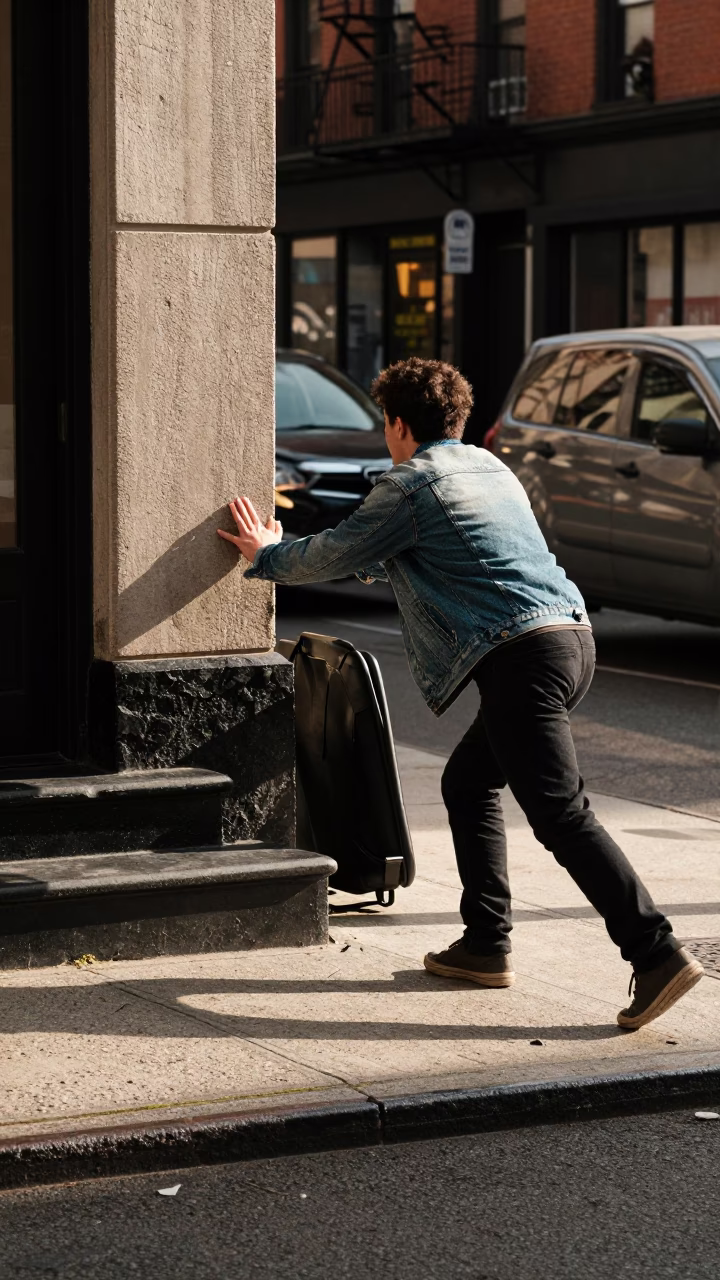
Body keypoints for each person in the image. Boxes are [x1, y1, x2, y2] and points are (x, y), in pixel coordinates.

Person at [218, 357, 704, 1029]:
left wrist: (267, 552)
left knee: (561, 814)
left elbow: (338, 552)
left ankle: (656, 953)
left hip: (521, 656)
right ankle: (484, 943)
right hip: (572, 641)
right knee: (468, 784)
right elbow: (413, 556)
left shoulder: (413, 483)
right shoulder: (486, 466)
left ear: (395, 423)